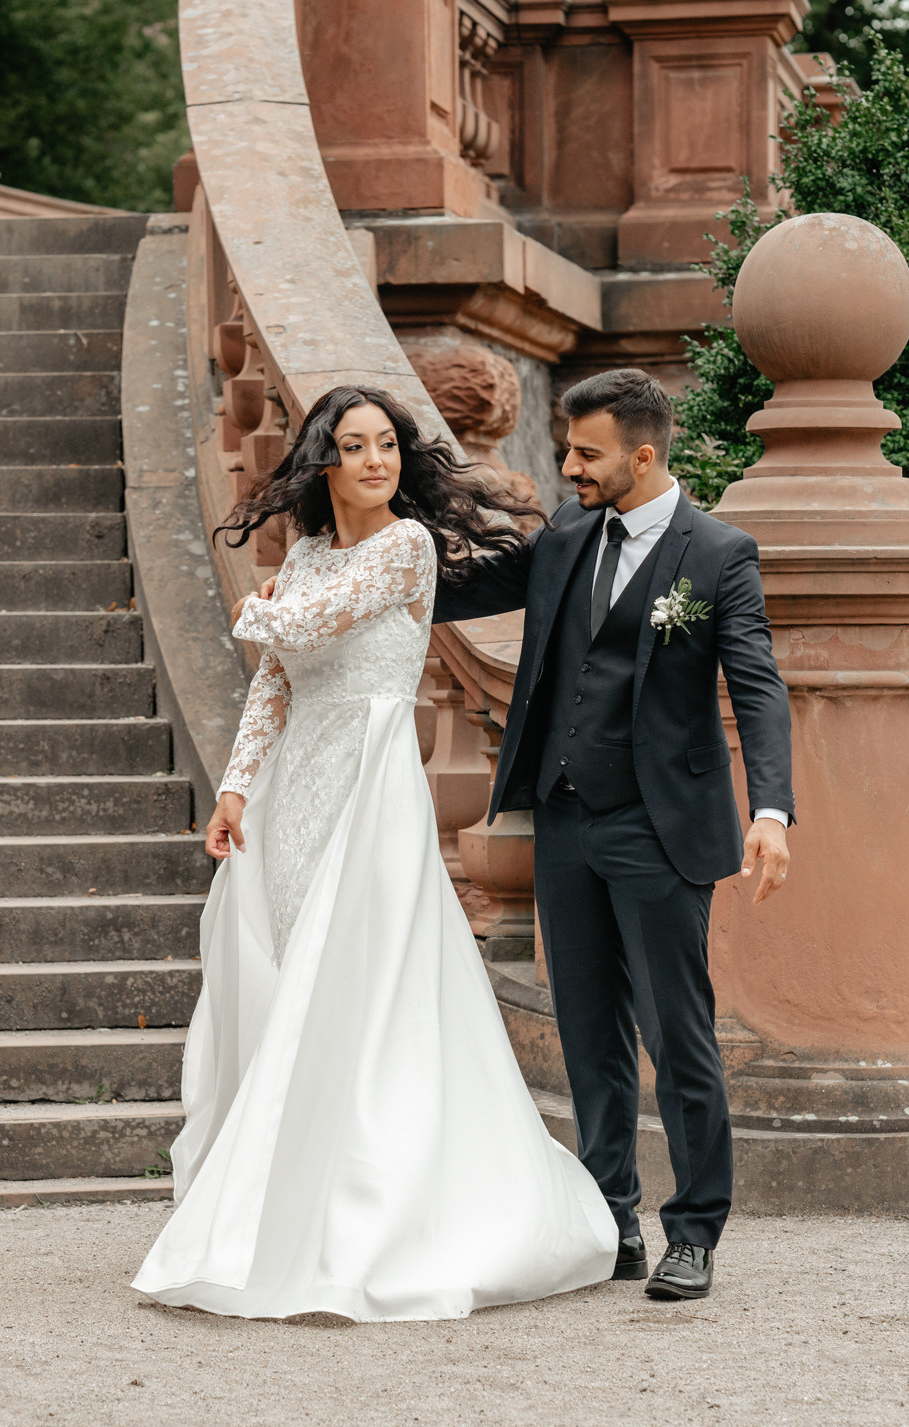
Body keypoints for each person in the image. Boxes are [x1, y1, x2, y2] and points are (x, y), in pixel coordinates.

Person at [131, 385, 619, 1322]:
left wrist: (256, 605)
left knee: (356, 974)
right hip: (295, 786)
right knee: (286, 974)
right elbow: (275, 681)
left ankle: (366, 1215)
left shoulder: (407, 547)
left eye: (387, 444)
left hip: (371, 778)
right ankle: (283, 1196)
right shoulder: (307, 551)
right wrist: (236, 787)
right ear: (324, 463)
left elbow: (308, 627)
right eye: (353, 447)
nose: (375, 461)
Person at [432, 367, 794, 1302]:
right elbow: (459, 589)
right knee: (589, 1029)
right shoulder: (562, 534)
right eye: (567, 449)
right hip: (564, 819)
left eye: (586, 453)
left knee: (680, 1034)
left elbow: (756, 685)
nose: (568, 466)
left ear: (643, 454)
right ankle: (608, 1217)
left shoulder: (719, 554)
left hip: (659, 827)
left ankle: (695, 1229)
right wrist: (349, 564)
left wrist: (771, 811)